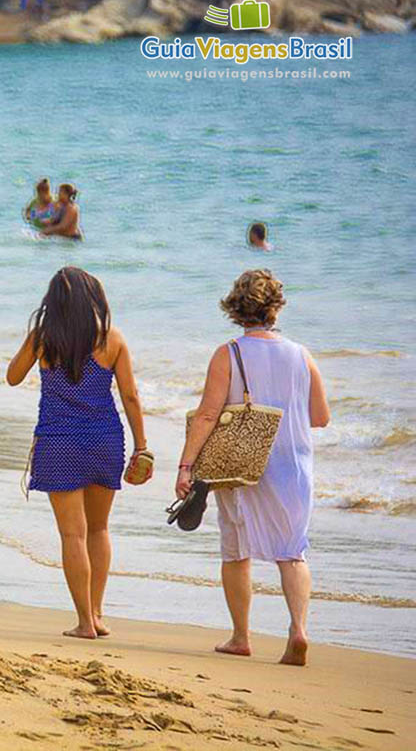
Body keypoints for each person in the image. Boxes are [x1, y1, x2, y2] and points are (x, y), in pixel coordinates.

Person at [175, 269, 329, 666]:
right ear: (275, 307)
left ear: (236, 308)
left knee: (236, 550)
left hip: (243, 465)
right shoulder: (301, 354)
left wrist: (186, 465)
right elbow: (321, 417)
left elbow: (209, 415)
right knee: (292, 552)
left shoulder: (230, 353)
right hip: (294, 465)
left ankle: (241, 637)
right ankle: (298, 630)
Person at [6, 267, 151, 639]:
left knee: (73, 535)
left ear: (52, 303)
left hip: (59, 442)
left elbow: (13, 376)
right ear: (94, 300)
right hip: (104, 439)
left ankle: (85, 621)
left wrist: (35, 341)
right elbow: (131, 396)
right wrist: (142, 446)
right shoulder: (112, 339)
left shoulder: (44, 338)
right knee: (100, 529)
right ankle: (98, 613)